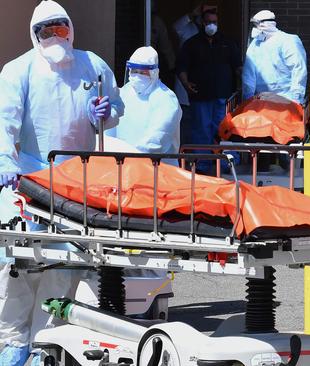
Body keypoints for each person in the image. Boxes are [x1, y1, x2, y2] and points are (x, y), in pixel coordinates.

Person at [0, 1, 123, 365]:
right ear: (35, 35)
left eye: (61, 29)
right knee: (18, 266)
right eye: (47, 31)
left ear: (71, 29)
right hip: (31, 180)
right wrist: (6, 165)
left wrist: (103, 113)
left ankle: (45, 344)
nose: (55, 37)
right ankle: (12, 344)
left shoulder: (92, 65)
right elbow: (4, 123)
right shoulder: (17, 71)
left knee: (64, 267)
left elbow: (115, 108)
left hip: (77, 182)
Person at [176, 6, 241, 174]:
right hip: (200, 96)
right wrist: (185, 84)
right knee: (201, 130)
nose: (211, 25)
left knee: (224, 131)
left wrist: (241, 88)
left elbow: (238, 67)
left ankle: (227, 163)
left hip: (223, 96)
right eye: (208, 22)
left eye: (214, 22)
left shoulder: (228, 43)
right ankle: (202, 165)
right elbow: (182, 67)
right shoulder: (192, 44)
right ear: (202, 23)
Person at [107, 46, 181, 165]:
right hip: (122, 167)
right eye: (134, 71)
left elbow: (157, 139)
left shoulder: (165, 98)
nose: (137, 76)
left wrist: (130, 159)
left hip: (157, 169)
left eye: (143, 72)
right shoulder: (124, 93)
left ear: (154, 72)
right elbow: (110, 130)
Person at [242, 10, 308, 104]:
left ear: (266, 24)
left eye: (256, 24)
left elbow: (298, 70)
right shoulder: (255, 44)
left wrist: (295, 100)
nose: (254, 28)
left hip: (285, 100)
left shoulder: (288, 41)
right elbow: (248, 74)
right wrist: (248, 100)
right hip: (260, 100)